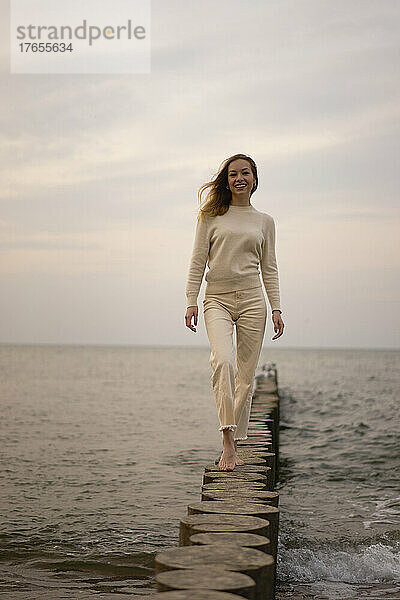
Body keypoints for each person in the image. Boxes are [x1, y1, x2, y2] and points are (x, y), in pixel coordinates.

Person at [184, 153, 285, 471]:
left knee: (246, 377)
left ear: (254, 178)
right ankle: (227, 441)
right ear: (226, 181)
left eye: (245, 173)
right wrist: (190, 299)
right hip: (217, 299)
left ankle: (233, 440)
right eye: (232, 174)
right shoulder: (211, 215)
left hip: (254, 301)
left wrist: (277, 307)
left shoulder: (265, 221)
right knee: (223, 362)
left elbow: (269, 267)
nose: (239, 178)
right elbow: (198, 259)